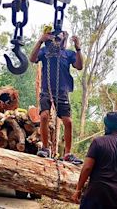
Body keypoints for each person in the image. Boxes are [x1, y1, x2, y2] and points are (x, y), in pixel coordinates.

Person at [29, 30, 83, 164]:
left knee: (68, 122)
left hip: (62, 91)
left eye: (60, 38)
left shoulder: (68, 53)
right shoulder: (45, 51)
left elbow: (79, 66)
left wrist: (78, 48)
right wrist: (40, 40)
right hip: (47, 89)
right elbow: (32, 59)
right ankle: (45, 148)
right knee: (44, 116)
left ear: (64, 39)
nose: (57, 41)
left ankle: (68, 153)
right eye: (55, 38)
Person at [72, 112, 117, 209]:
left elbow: (87, 168)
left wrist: (78, 189)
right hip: (116, 200)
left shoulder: (98, 142)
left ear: (107, 126)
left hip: (94, 197)